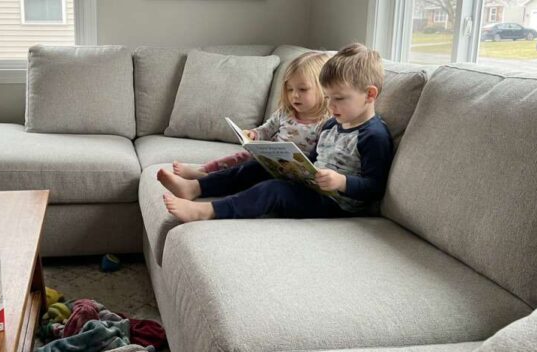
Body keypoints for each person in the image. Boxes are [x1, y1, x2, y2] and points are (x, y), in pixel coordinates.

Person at [157, 43, 394, 222]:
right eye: (328, 97)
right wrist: (292, 167)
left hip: (336, 206)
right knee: (257, 167)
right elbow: (313, 160)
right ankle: (196, 187)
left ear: (370, 95)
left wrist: (341, 182)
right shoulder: (333, 125)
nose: (330, 106)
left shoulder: (374, 136)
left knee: (273, 190)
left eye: (339, 99)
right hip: (312, 189)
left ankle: (207, 211)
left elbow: (375, 187)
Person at [173, 51, 331, 180]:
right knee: (241, 157)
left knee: (248, 171)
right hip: (270, 159)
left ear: (324, 89)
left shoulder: (325, 123)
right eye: (290, 89)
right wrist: (253, 134)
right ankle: (204, 171)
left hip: (294, 171)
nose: (294, 95)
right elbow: (267, 130)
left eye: (302, 89)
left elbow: (320, 156)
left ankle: (210, 178)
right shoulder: (285, 112)